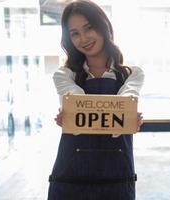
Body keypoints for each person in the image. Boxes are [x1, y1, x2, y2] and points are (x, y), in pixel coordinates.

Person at [47, 0, 144, 199]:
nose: (83, 38)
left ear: (104, 25)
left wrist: (125, 118)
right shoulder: (64, 75)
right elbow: (83, 108)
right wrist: (121, 118)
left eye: (88, 28)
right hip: (70, 180)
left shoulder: (132, 74)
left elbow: (84, 113)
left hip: (116, 181)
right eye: (74, 33)